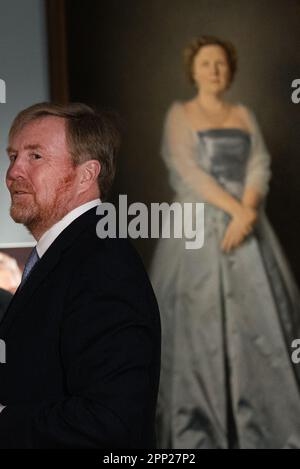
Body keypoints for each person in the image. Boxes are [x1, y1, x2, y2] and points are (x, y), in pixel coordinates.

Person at [150, 35, 300, 449]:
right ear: (193, 71)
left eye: (220, 63)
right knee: (198, 332)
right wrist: (236, 211)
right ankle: (198, 435)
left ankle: (267, 429)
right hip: (197, 228)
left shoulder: (243, 113)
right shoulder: (180, 114)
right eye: (205, 64)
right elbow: (187, 171)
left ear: (230, 70)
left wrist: (248, 210)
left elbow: (259, 165)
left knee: (259, 329)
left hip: (248, 229)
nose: (213, 70)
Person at [0, 102, 161, 449]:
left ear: (87, 175)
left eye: (35, 156)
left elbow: (112, 420)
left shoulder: (101, 262)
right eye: (13, 156)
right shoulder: (69, 256)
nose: (13, 172)